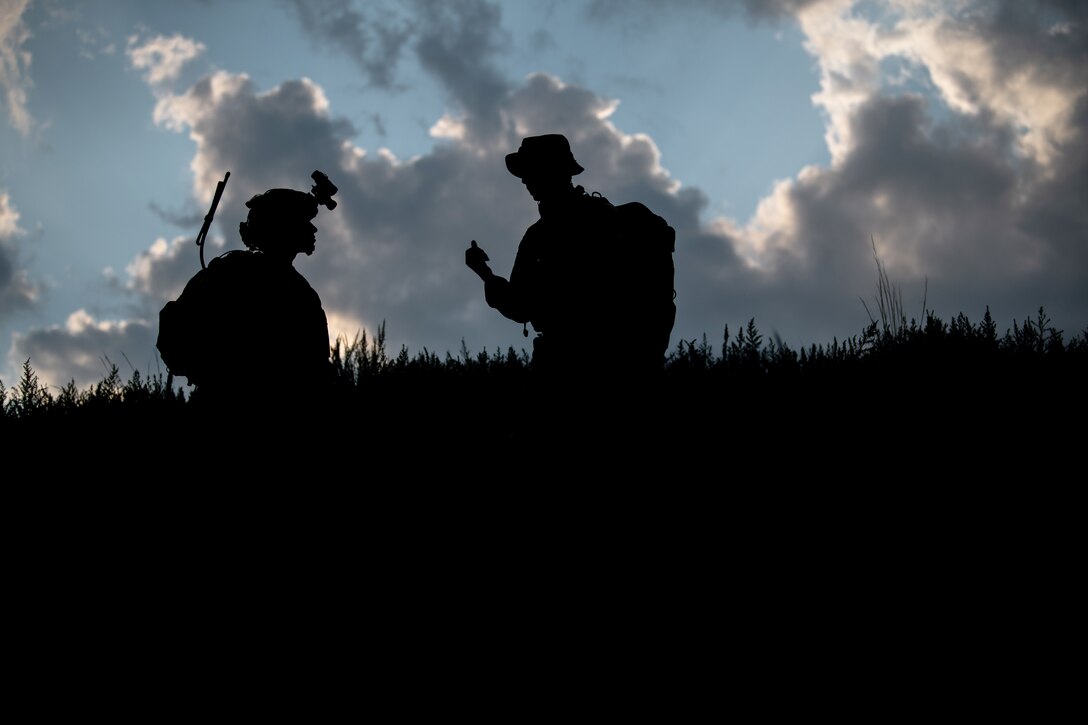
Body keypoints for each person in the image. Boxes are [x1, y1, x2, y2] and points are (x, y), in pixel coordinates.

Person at [465, 134, 669, 384]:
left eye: (530, 171)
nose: (525, 181)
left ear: (551, 171)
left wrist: (483, 272)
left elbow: (520, 306)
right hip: (627, 362)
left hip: (566, 364)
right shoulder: (603, 218)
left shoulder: (540, 236)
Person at [157, 173, 337, 426]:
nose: (313, 229)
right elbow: (176, 326)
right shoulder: (235, 273)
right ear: (282, 228)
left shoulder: (299, 290)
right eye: (303, 222)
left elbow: (315, 366)